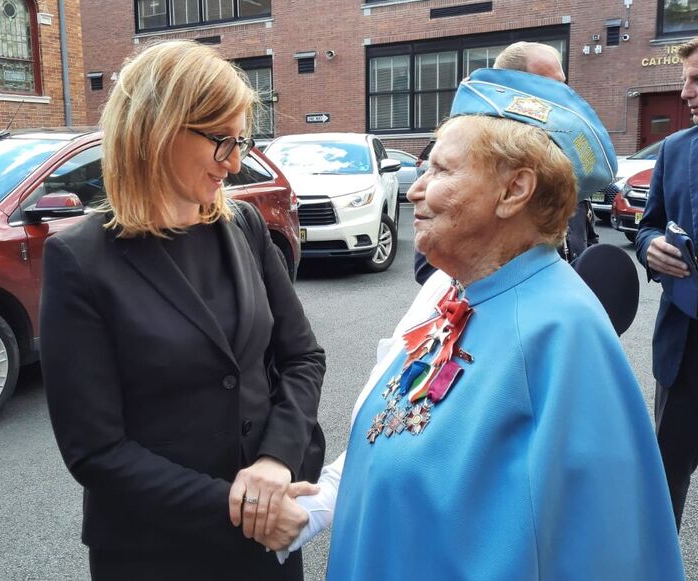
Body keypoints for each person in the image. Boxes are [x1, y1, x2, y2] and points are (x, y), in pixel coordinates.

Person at [280, 68, 685, 579]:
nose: (413, 191)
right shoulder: (457, 291)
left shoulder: (564, 332)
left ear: (514, 190)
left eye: (442, 171)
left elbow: (609, 548)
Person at [40, 40, 325, 580]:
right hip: (156, 551)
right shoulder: (80, 259)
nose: (236, 163)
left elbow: (302, 357)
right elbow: (95, 450)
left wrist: (274, 461)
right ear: (157, 128)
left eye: (242, 141)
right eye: (222, 141)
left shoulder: (243, 227)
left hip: (268, 540)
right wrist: (238, 508)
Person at [413, 42, 596, 284]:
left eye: (562, 84)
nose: (561, 95)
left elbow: (584, 239)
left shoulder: (567, 160)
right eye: (547, 85)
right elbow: (430, 266)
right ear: (508, 87)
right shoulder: (464, 151)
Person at [636, 36, 698, 532]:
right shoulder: (676, 150)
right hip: (684, 350)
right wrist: (650, 246)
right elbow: (648, 225)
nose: (685, 94)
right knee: (666, 475)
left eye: (696, 80)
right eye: (684, 81)